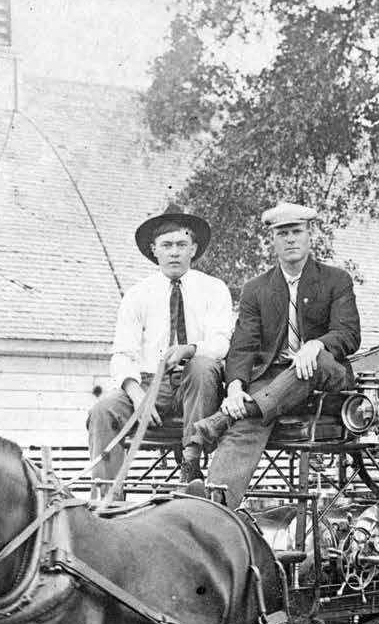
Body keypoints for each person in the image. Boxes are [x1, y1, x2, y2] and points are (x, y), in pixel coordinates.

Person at [188, 202, 360, 508]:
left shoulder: (336, 280)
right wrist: (235, 389)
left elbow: (349, 334)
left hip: (326, 380)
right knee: (244, 423)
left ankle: (229, 416)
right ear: (273, 241)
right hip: (274, 384)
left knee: (314, 362)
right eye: (283, 234)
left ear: (310, 236)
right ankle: (214, 508)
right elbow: (242, 346)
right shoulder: (256, 288)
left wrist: (315, 345)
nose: (290, 239)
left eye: (297, 232)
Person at [87, 211, 232, 489]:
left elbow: (220, 343)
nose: (174, 252)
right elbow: (123, 353)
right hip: (152, 385)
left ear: (193, 249)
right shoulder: (137, 295)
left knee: (201, 364)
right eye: (166, 245)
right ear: (154, 250)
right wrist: (136, 393)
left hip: (200, 387)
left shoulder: (214, 289)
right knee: (103, 410)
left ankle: (191, 465)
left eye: (181, 244)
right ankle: (107, 498)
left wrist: (190, 349)